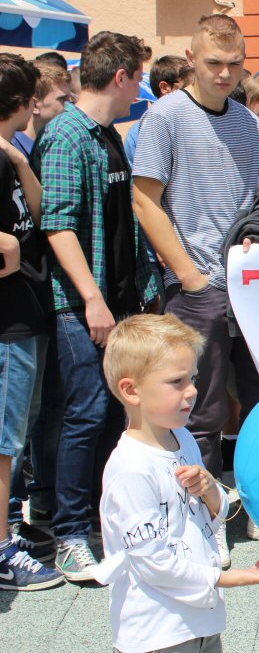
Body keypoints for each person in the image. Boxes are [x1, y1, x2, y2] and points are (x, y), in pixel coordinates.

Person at [132, 15, 259, 562]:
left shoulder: (248, 122)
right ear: (191, 59)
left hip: (252, 284)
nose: (224, 73)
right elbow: (145, 200)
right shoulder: (164, 116)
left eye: (234, 63)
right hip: (196, 290)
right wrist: (188, 274)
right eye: (213, 63)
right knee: (202, 411)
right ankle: (204, 519)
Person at [38, 31, 159, 581]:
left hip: (116, 300)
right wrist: (91, 299)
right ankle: (67, 533)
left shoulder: (106, 134)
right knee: (84, 415)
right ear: (121, 76)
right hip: (83, 305)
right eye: (139, 77)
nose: (141, 88)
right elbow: (58, 226)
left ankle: (97, 520)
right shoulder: (67, 135)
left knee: (110, 413)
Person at [94, 314, 259, 653]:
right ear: (131, 390)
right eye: (176, 381)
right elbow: (152, 562)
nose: (193, 390)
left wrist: (210, 488)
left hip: (200, 621)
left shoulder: (182, 439)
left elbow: (212, 512)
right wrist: (229, 578)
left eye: (193, 377)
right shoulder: (131, 470)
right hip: (156, 631)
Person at [0, 54, 63, 591]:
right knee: (4, 442)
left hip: (25, 315)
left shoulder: (13, 154)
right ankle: (1, 549)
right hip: (8, 321)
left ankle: (6, 533)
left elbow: (38, 217)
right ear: (23, 105)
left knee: (13, 437)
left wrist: (21, 165)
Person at [14, 60, 70, 158]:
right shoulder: (12, 149)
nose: (70, 106)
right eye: (62, 99)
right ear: (35, 105)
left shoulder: (49, 145)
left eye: (70, 99)